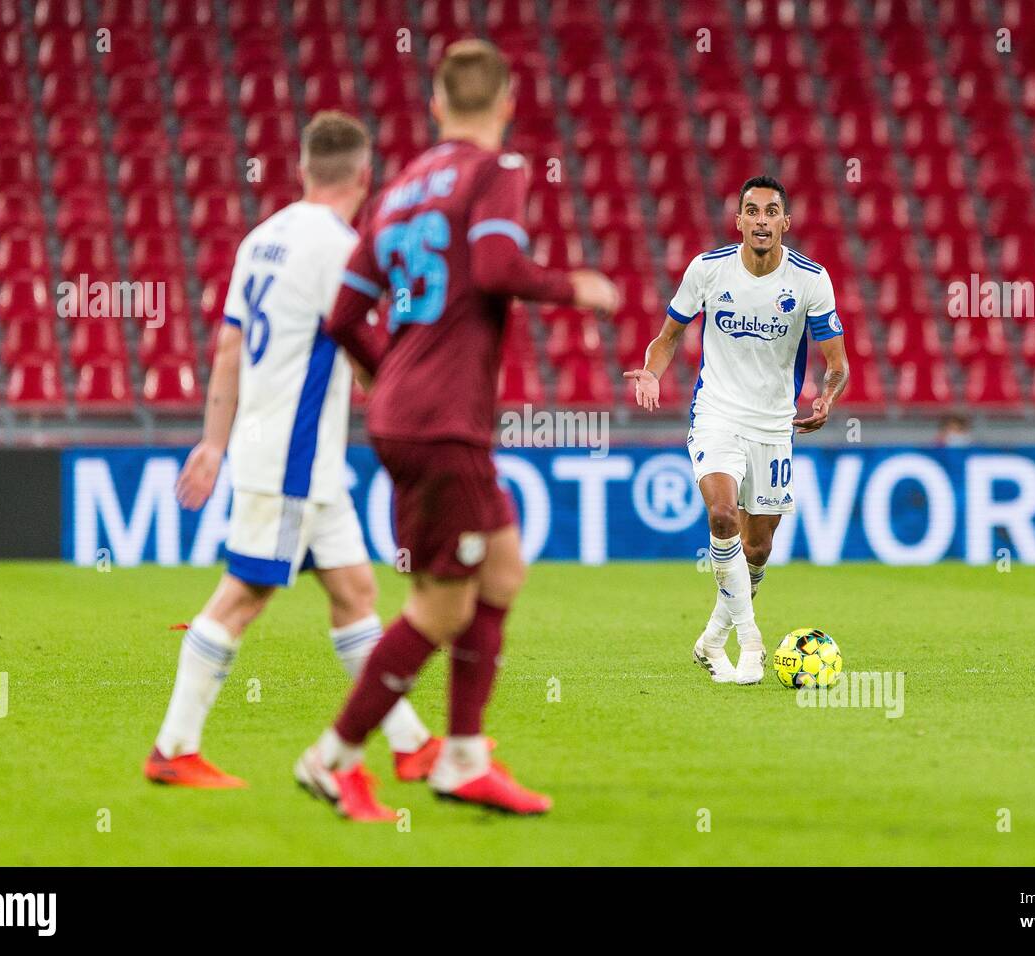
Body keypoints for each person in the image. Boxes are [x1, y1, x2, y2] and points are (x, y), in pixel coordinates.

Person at [297, 39, 620, 819]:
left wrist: (387, 374)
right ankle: (333, 757)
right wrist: (573, 286)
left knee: (502, 572)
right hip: (444, 422)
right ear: (508, 104)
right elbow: (498, 267)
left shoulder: (403, 187)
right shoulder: (495, 172)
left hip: (409, 414)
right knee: (441, 609)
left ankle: (465, 758)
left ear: (437, 106)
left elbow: (342, 315)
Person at [144, 113, 438, 788]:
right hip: (292, 460)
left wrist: (215, 444)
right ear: (365, 176)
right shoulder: (341, 248)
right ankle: (173, 748)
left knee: (356, 592)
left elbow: (226, 349)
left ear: (303, 169)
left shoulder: (259, 240)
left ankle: (411, 743)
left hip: (298, 460)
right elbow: (367, 358)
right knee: (241, 598)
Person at [623, 176, 849, 685]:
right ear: (740, 221)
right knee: (723, 516)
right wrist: (652, 372)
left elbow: (837, 363)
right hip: (717, 414)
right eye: (753, 211)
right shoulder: (707, 270)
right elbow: (668, 337)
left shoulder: (810, 280)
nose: (762, 220)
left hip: (773, 425)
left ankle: (710, 640)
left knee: (758, 549)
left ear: (785, 223)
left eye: (772, 212)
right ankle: (751, 647)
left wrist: (828, 396)